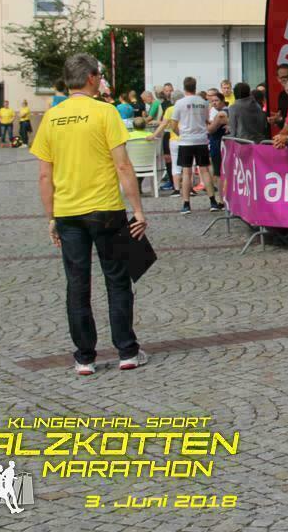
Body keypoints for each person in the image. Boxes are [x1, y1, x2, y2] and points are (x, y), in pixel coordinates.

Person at [30, 53, 149, 375]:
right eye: (99, 75)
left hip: (68, 212)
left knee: (77, 284)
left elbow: (44, 174)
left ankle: (85, 357)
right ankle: (127, 351)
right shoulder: (105, 112)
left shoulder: (51, 117)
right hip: (106, 208)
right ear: (91, 78)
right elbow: (123, 165)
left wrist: (51, 217)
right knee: (117, 280)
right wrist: (138, 210)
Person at [171, 77, 223, 214]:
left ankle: (186, 204)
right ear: (195, 87)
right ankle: (212, 201)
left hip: (186, 141)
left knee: (186, 172)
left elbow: (173, 125)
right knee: (204, 170)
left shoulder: (179, 103)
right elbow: (206, 120)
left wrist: (181, 134)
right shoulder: (203, 102)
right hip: (201, 140)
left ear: (184, 87)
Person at [154, 90, 184, 194]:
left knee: (175, 165)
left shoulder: (170, 109)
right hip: (186, 138)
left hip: (174, 138)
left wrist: (154, 135)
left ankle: (176, 189)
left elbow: (164, 124)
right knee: (188, 165)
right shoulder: (186, 108)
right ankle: (189, 188)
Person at [206, 89, 228, 180]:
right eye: (212, 101)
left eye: (216, 100)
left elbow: (210, 130)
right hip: (218, 144)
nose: (214, 103)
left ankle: (219, 188)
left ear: (223, 101)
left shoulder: (223, 113)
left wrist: (207, 123)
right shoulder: (218, 112)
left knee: (218, 171)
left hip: (219, 144)